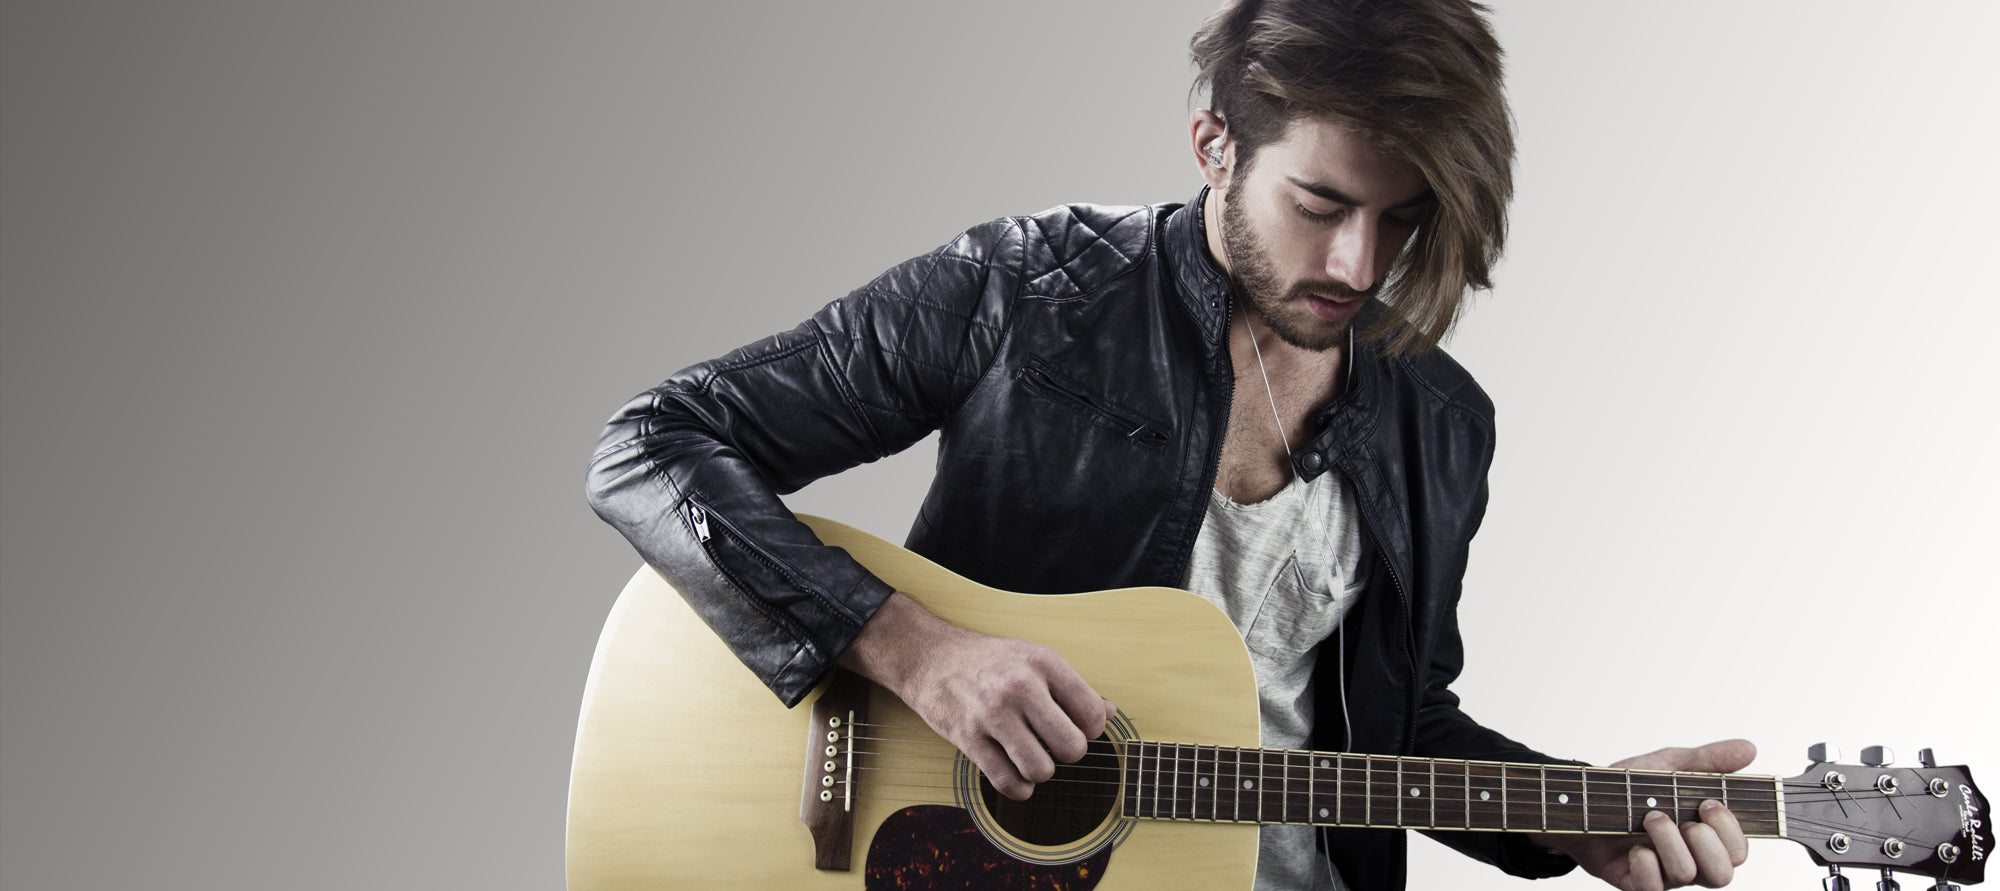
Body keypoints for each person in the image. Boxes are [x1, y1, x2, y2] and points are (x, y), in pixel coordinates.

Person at [587, 1, 1753, 888]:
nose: (1357, 265)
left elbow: (1398, 728)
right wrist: (915, 653)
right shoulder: (1025, 290)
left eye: (1403, 220)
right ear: (1213, 145)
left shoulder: (1439, 421)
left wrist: (1570, 812)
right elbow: (651, 446)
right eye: (1320, 204)